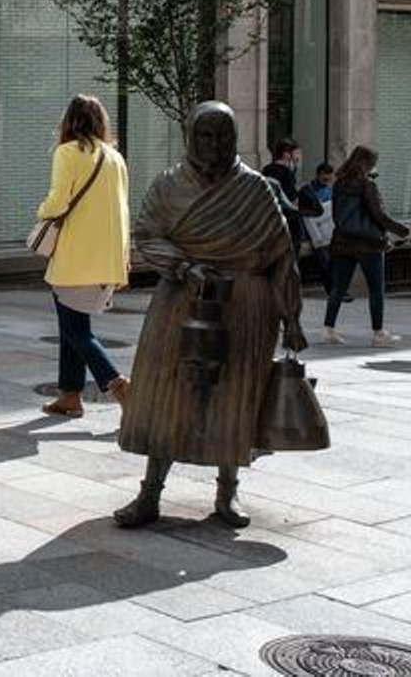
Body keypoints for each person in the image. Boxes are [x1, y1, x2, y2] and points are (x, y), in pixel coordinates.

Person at [115, 101, 306, 530]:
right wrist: (183, 266)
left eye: (222, 135)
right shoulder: (168, 185)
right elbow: (146, 234)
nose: (214, 143)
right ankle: (149, 493)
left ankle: (227, 492)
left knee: (235, 398)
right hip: (182, 299)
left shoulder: (256, 188)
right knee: (165, 395)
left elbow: (282, 255)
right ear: (189, 137)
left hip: (246, 304)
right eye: (205, 135)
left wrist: (291, 318)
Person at [36, 94, 131, 418]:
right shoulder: (115, 157)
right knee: (71, 326)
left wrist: (41, 212)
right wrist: (124, 258)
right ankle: (70, 396)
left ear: (69, 120)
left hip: (75, 257)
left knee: (76, 330)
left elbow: (58, 201)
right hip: (106, 258)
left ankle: (116, 383)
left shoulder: (68, 152)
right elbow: (124, 211)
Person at [322, 146, 410, 347]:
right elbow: (379, 215)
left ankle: (328, 328)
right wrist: (402, 230)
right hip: (369, 244)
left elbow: (336, 215)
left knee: (338, 288)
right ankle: (378, 333)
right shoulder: (367, 185)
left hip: (343, 241)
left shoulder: (339, 183)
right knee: (376, 289)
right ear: (367, 163)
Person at [299, 162, 342, 299]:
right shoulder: (307, 190)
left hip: (330, 230)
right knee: (324, 262)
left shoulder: (330, 190)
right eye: (325, 177)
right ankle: (333, 291)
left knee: (335, 262)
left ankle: (337, 290)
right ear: (318, 175)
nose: (327, 180)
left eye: (329, 178)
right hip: (315, 232)